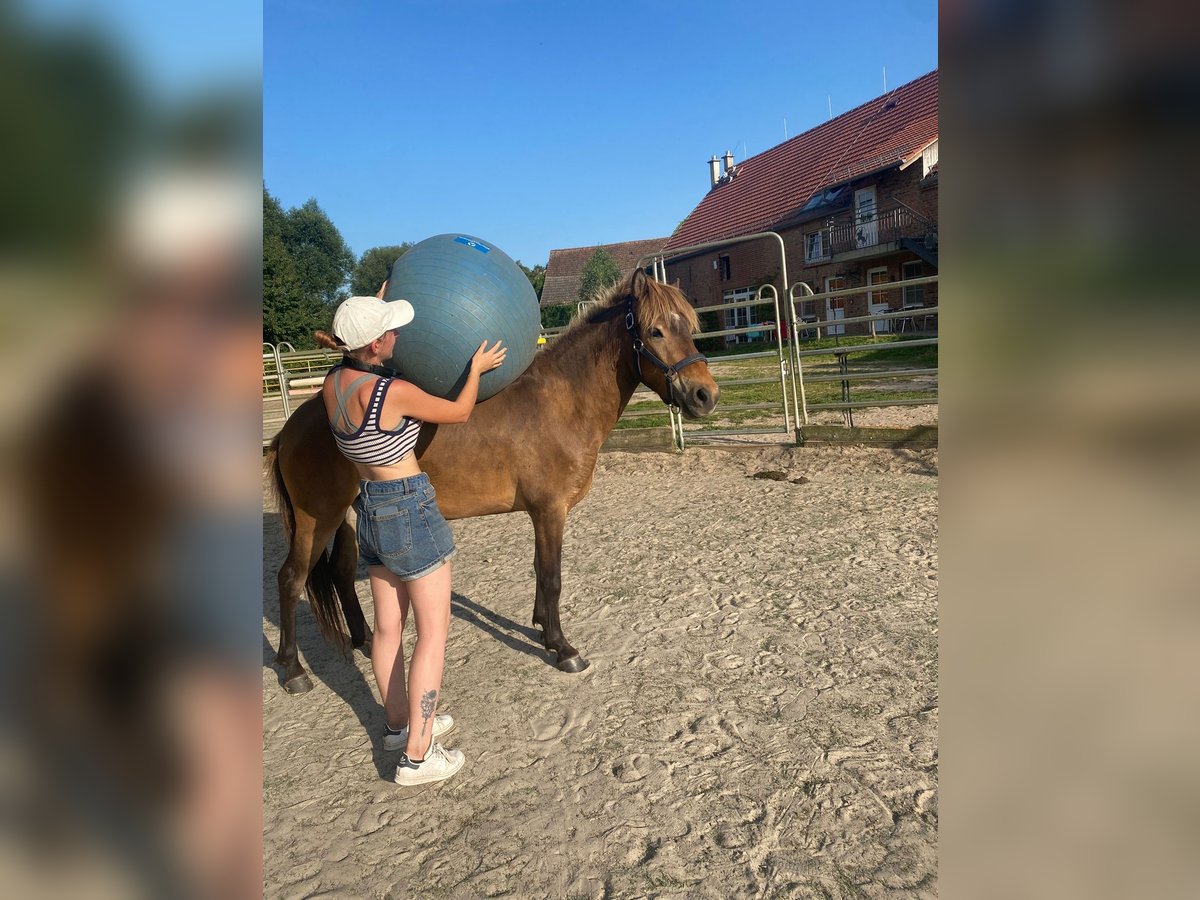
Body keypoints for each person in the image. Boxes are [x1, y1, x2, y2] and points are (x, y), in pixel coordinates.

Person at [317, 294, 506, 786]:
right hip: (409, 507)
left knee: (387, 630)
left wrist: (372, 307)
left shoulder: (332, 383)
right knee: (433, 634)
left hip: (370, 507)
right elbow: (459, 412)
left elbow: (360, 347)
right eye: (391, 331)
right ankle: (419, 757)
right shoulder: (392, 392)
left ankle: (399, 727)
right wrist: (475, 369)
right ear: (374, 345)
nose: (398, 335)